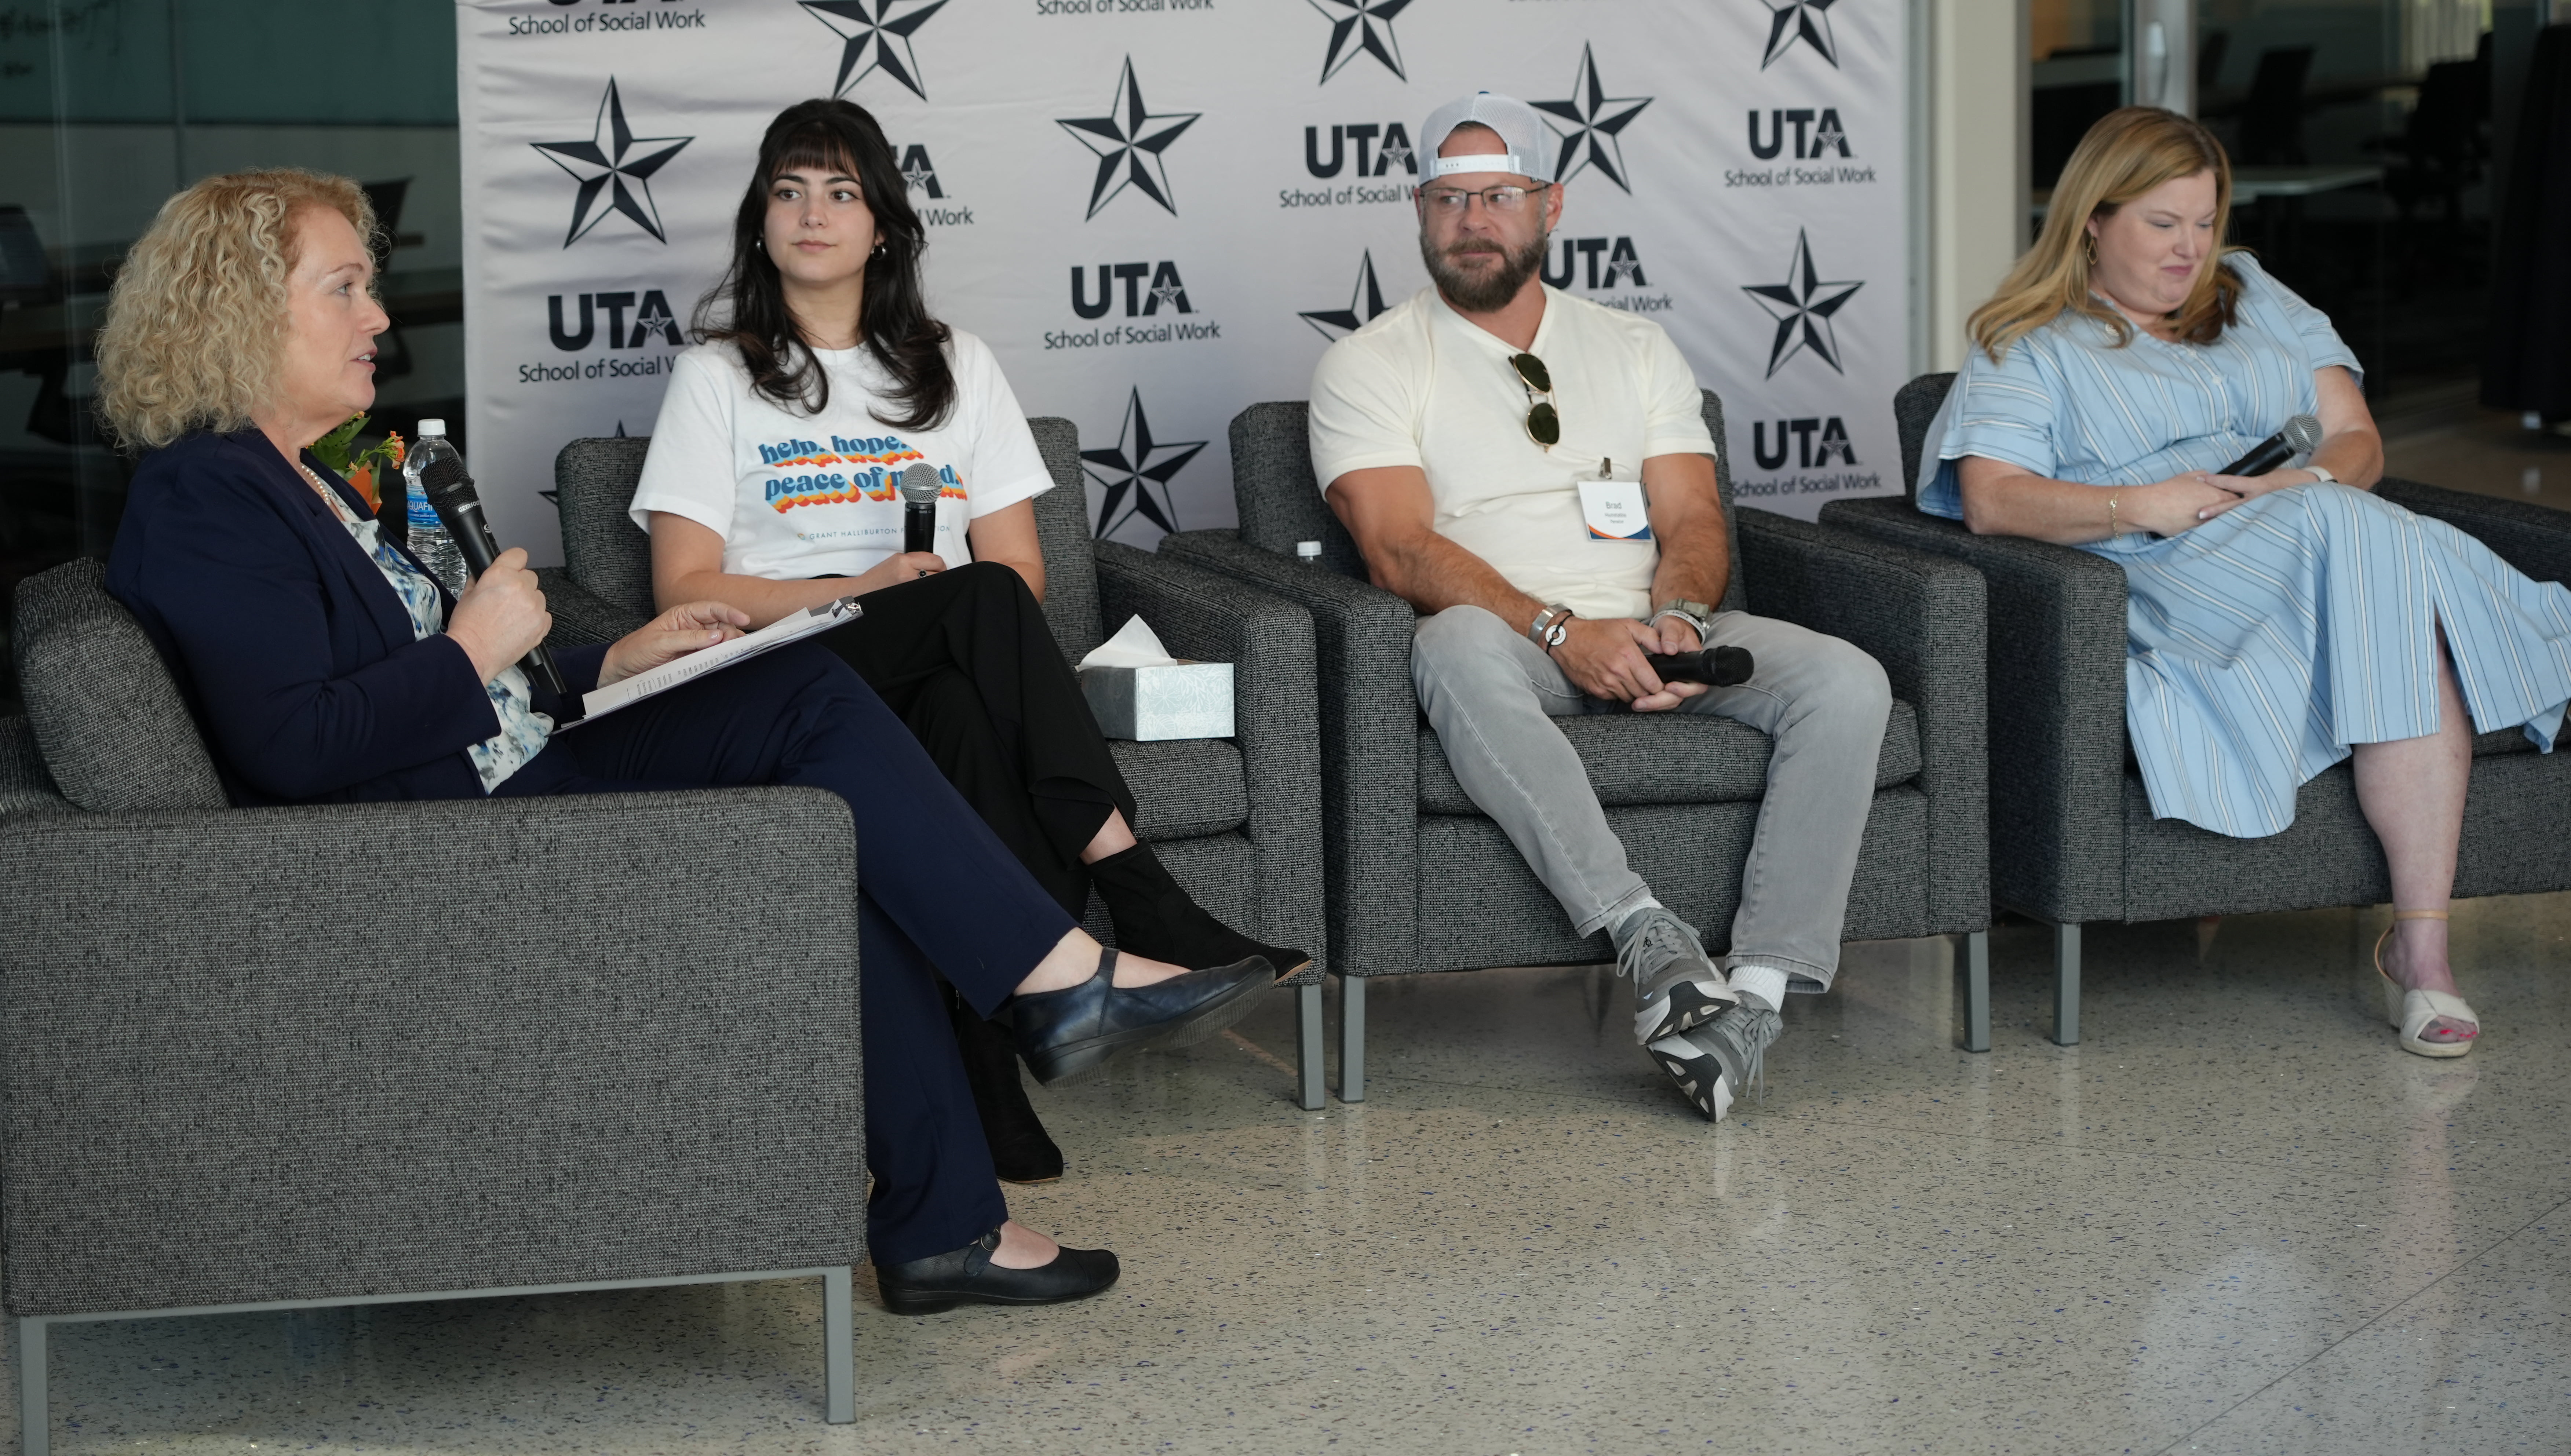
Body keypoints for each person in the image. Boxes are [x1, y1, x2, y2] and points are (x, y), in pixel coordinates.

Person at [94, 168, 1273, 1311]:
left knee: (823, 779)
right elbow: (298, 746)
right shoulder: (207, 496)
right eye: (344, 289)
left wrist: (609, 661)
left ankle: (951, 1218)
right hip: (439, 848)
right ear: (242, 312)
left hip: (509, 766)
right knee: (817, 722)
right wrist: (469, 648)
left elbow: (438, 685)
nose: (381, 317)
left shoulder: (306, 479)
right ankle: (1051, 997)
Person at [631, 98, 1307, 1183]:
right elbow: (685, 586)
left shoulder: (955, 365)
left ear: (884, 226)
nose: (813, 215)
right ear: (759, 219)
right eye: (789, 191)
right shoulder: (720, 375)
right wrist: (865, 588)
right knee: (979, 601)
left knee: (964, 702)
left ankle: (989, 1066)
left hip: (935, 662)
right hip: (796, 667)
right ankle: (1141, 893)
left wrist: (930, 601)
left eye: (842, 193)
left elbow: (1027, 569)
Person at [1918, 105, 2571, 1057]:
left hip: (2317, 537)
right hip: (2168, 567)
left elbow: (2357, 441)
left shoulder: (2253, 293)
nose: (2191, 250)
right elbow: (1994, 499)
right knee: (2382, 561)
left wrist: (2295, 485)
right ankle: (2532, 636)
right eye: (2161, 224)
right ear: (2093, 220)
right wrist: (2144, 502)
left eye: (2205, 222)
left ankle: (2425, 956)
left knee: (2368, 561)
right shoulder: (2031, 341)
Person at [1307, 90, 1894, 1123]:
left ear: (1552, 206)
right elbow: (1398, 548)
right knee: (1448, 642)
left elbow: (1695, 517)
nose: (1472, 219)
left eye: (1499, 195)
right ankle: (1648, 937)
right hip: (1517, 645)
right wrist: (1561, 633)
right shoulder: (1372, 361)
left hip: (1656, 629)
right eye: (1449, 198)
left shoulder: (1632, 349)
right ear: (1418, 211)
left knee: (1848, 681)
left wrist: (1682, 621)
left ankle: (1746, 1004)